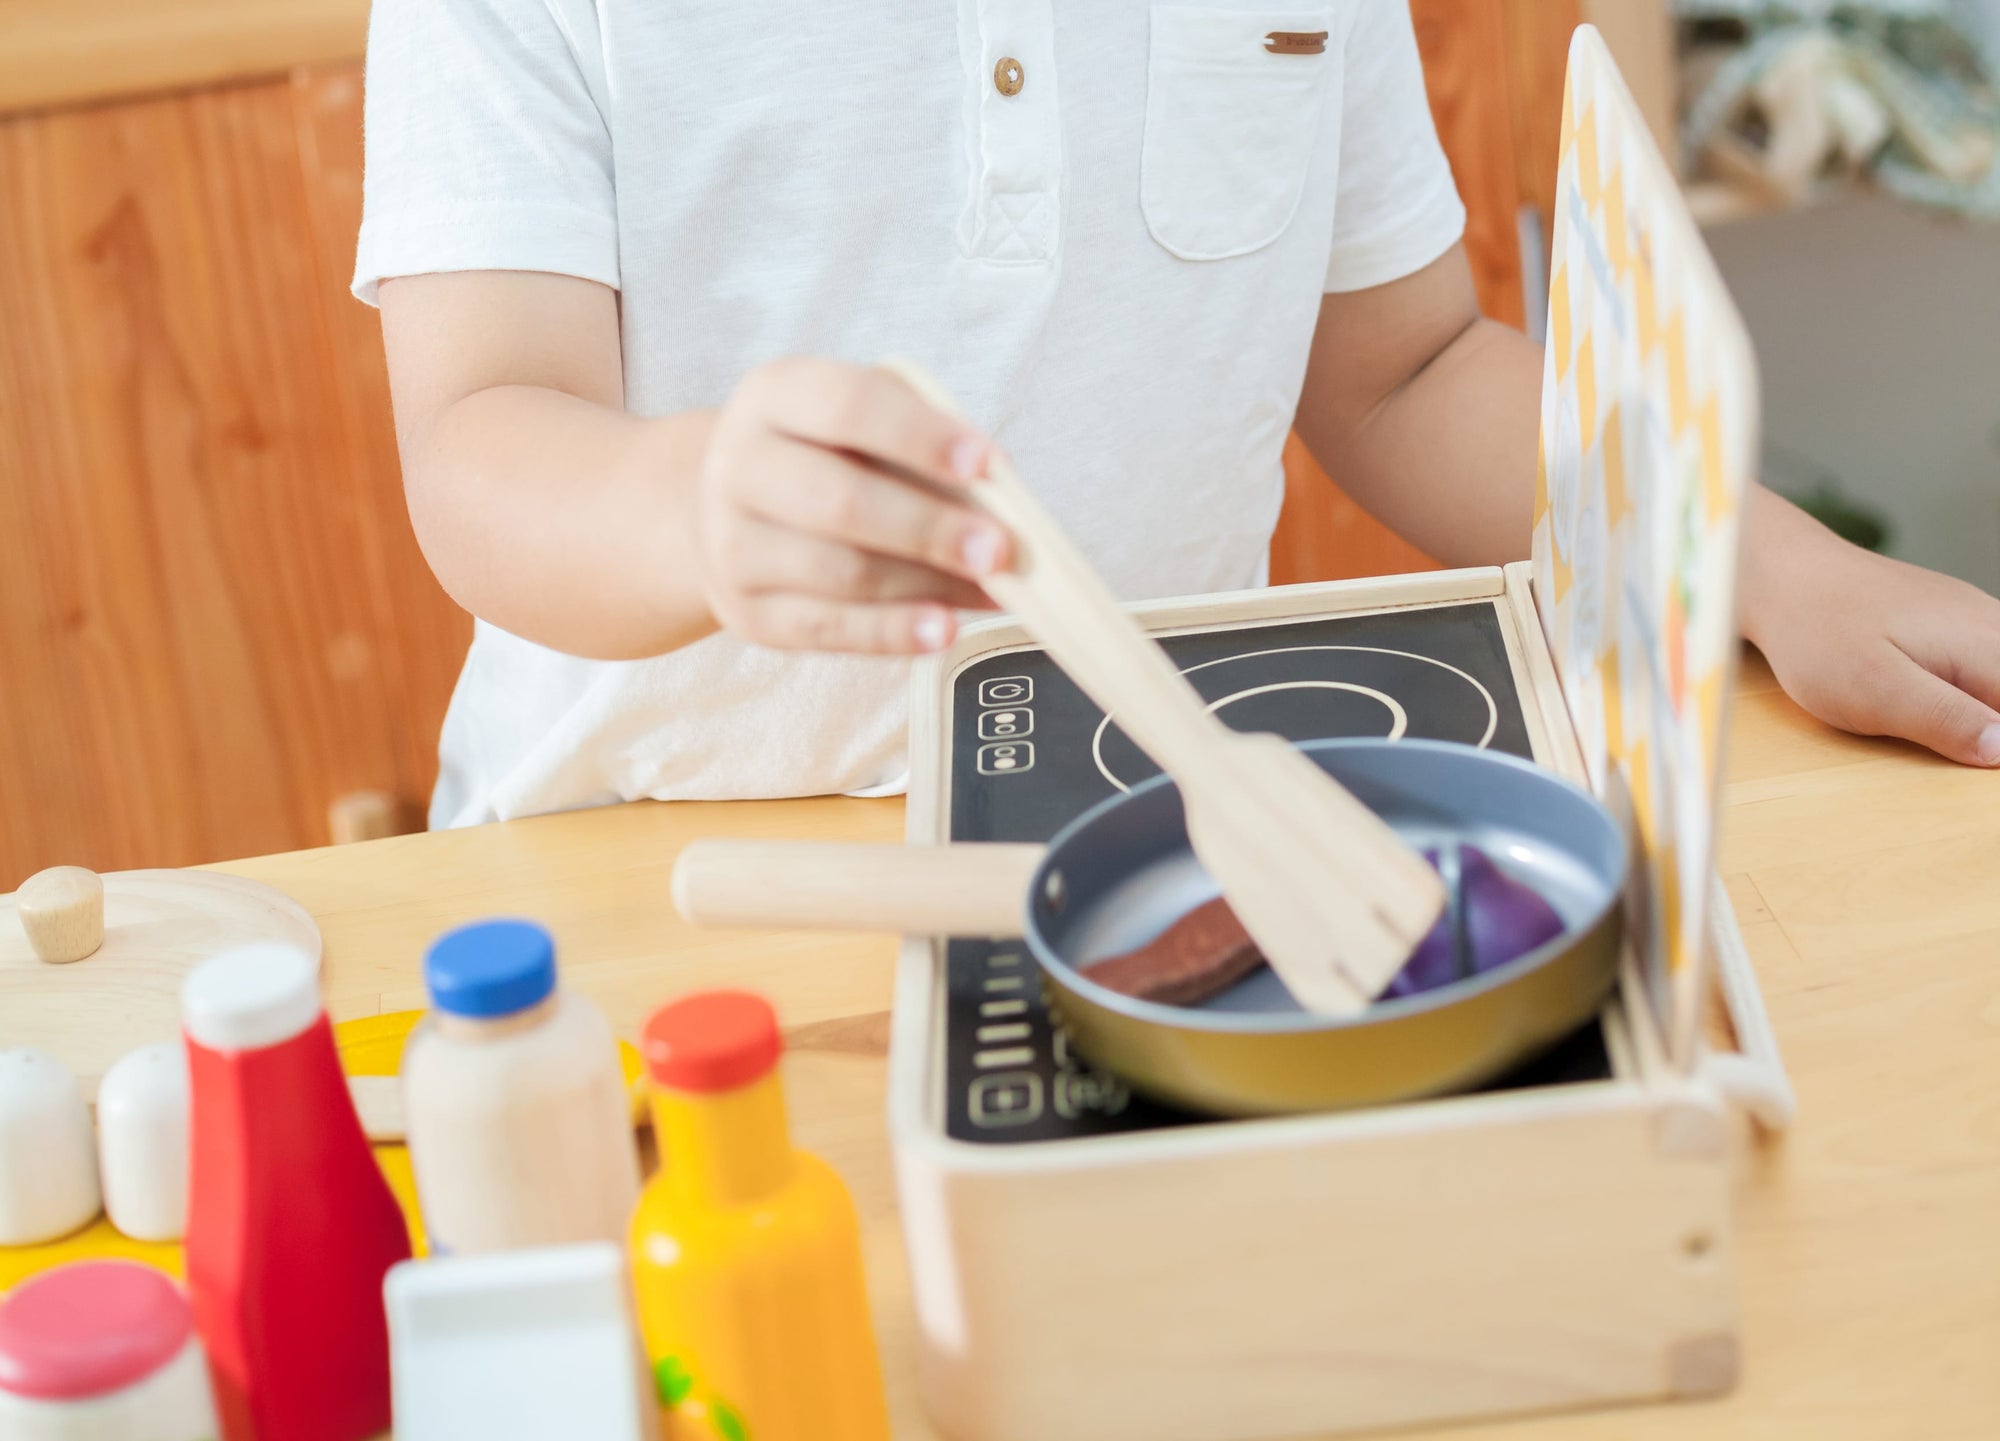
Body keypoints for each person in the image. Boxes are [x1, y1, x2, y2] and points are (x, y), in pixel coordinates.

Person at [355, 2, 2000, 828]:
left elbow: (1409, 369)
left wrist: (1768, 568)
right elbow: (484, 432)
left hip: (1160, 833)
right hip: (646, 875)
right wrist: (683, 505)